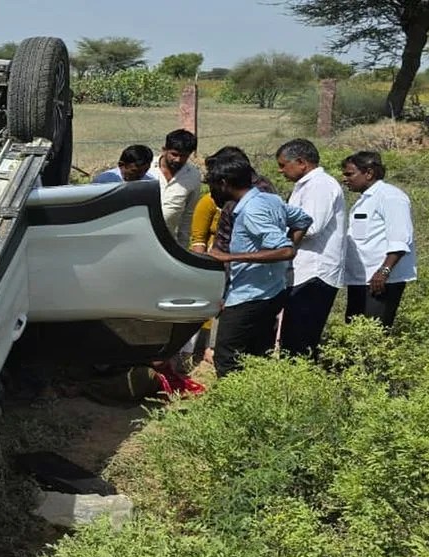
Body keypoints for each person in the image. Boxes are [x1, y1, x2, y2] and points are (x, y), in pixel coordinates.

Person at [204, 153, 310, 377]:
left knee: (226, 356)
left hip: (248, 295)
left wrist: (229, 258)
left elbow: (286, 251)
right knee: (256, 354)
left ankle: (233, 407)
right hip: (272, 291)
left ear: (223, 183)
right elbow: (302, 220)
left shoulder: (252, 211)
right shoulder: (269, 199)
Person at [275, 139, 347, 357]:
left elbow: (311, 226)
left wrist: (276, 239)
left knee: (301, 340)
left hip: (315, 272)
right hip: (303, 271)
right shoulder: (305, 185)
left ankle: (299, 385)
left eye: (283, 165)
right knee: (292, 337)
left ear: (301, 162)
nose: (281, 171)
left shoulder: (320, 185)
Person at [341, 151, 416, 329]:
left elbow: (400, 239)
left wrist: (384, 271)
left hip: (380, 281)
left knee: (373, 332)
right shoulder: (366, 199)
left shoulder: (390, 196)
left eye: (349, 174)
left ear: (368, 173)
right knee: (355, 329)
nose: (345, 179)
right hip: (361, 279)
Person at [146, 129, 202, 246]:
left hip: (167, 242)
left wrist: (182, 247)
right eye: (174, 154)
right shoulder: (147, 168)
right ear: (164, 150)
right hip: (139, 237)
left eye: (184, 156)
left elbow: (189, 214)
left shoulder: (193, 175)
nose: (178, 160)